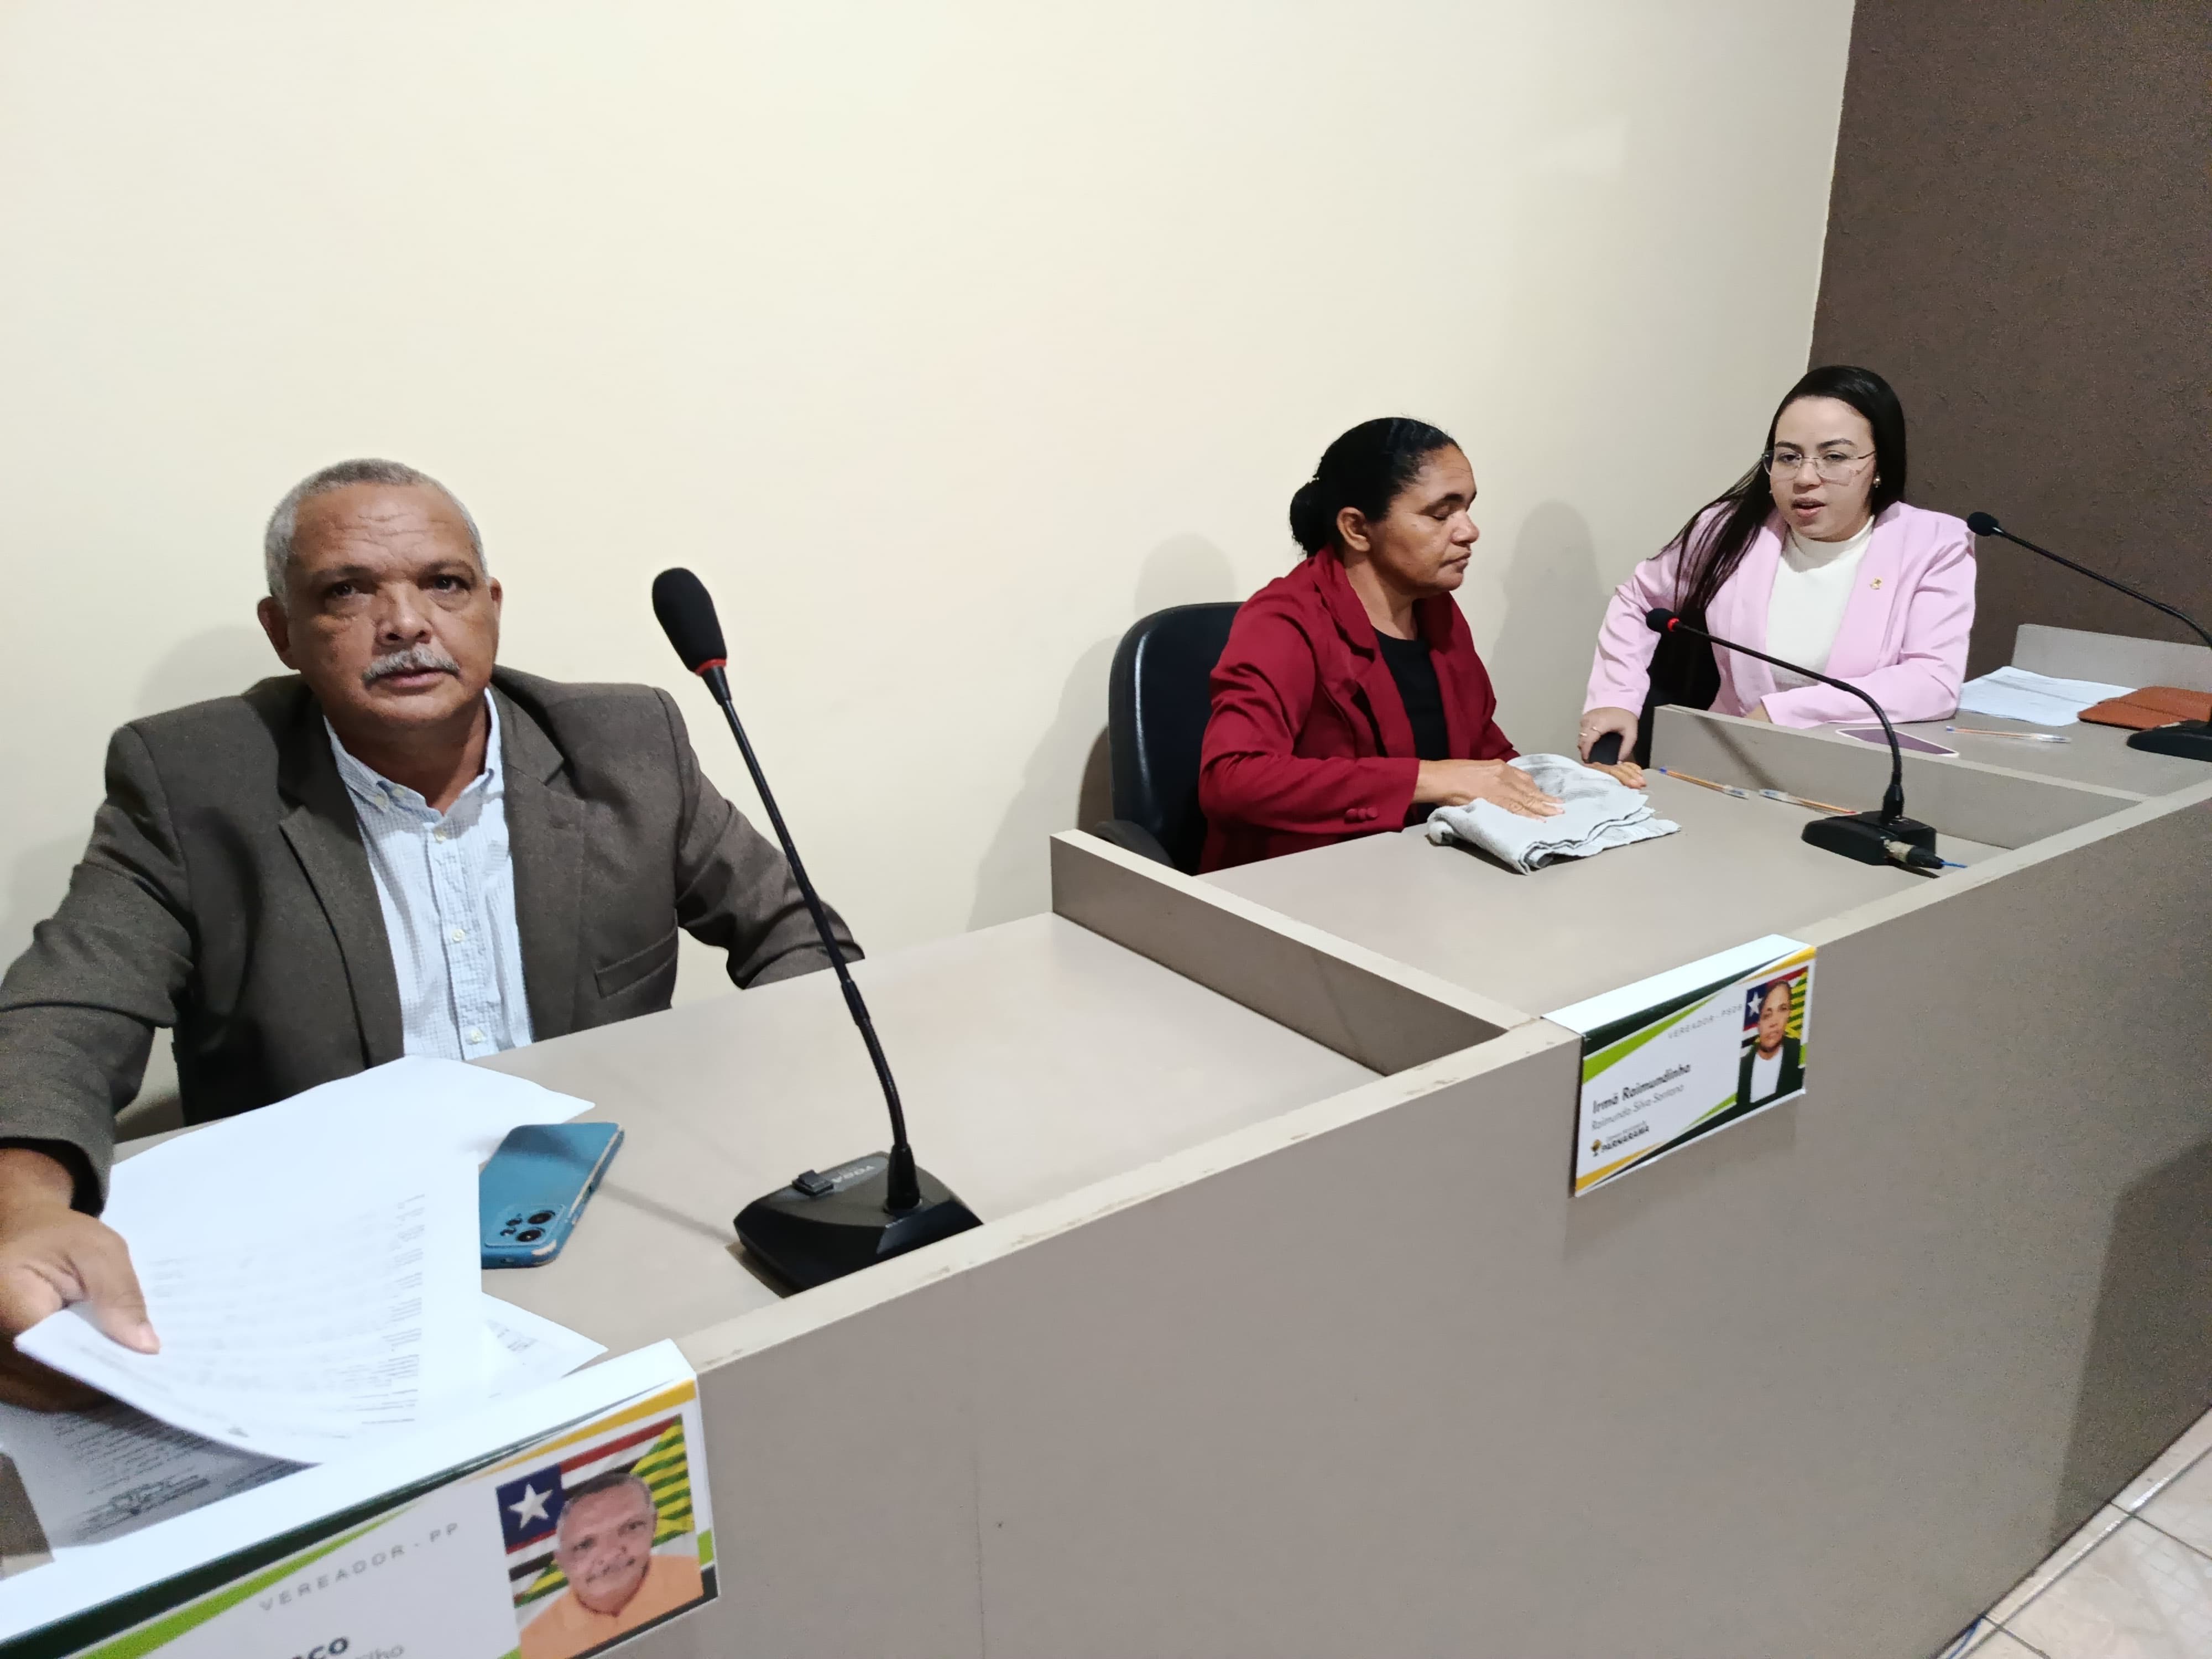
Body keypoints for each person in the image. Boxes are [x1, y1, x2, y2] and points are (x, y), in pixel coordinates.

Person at [0, 459, 858, 1408]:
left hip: (613, 1218)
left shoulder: (626, 743)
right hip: (337, 1268)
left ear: (491, 606)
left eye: (444, 584)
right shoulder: (195, 782)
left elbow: (794, 934)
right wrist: (20, 1207)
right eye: (347, 592)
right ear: (283, 632)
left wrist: (794, 1115)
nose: (406, 623)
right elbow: (63, 1015)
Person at [1199, 418, 1643, 871]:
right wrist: (1428, 779)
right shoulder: (1284, 620)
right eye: (1441, 514)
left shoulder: (1435, 611)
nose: (1469, 531)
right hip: (1308, 880)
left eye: (1467, 508)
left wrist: (1566, 786)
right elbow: (1231, 781)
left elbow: (1482, 754)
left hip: (1424, 870)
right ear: (1357, 529)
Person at [1578, 366, 1975, 764]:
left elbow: (1932, 682)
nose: (1805, 478)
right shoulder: (1728, 529)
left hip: (1856, 771)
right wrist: (1616, 697)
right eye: (1788, 457)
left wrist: (1783, 712)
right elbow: (1639, 601)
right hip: (1725, 761)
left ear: (1880, 465)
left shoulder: (1934, 543)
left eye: (1834, 457)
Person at [519, 1472, 705, 1658]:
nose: (610, 1555)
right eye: (584, 1545)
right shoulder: (530, 1648)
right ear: (562, 1562)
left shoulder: (700, 1577)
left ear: (653, 1525)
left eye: (631, 1527)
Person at [1736, 979, 1805, 1108]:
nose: (1774, 1022)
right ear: (1757, 1022)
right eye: (1767, 1015)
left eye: (1783, 1009)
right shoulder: (1741, 1067)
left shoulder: (1800, 1053)